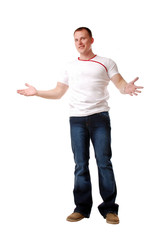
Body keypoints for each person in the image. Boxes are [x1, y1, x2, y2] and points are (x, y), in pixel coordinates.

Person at [17, 27, 143, 224]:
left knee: (104, 162)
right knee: (80, 165)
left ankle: (110, 209)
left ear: (91, 40)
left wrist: (128, 88)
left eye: (83, 38)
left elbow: (120, 84)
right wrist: (37, 92)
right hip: (76, 120)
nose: (79, 42)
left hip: (99, 118)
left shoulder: (106, 62)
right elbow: (58, 92)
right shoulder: (69, 66)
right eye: (76, 39)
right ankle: (82, 208)